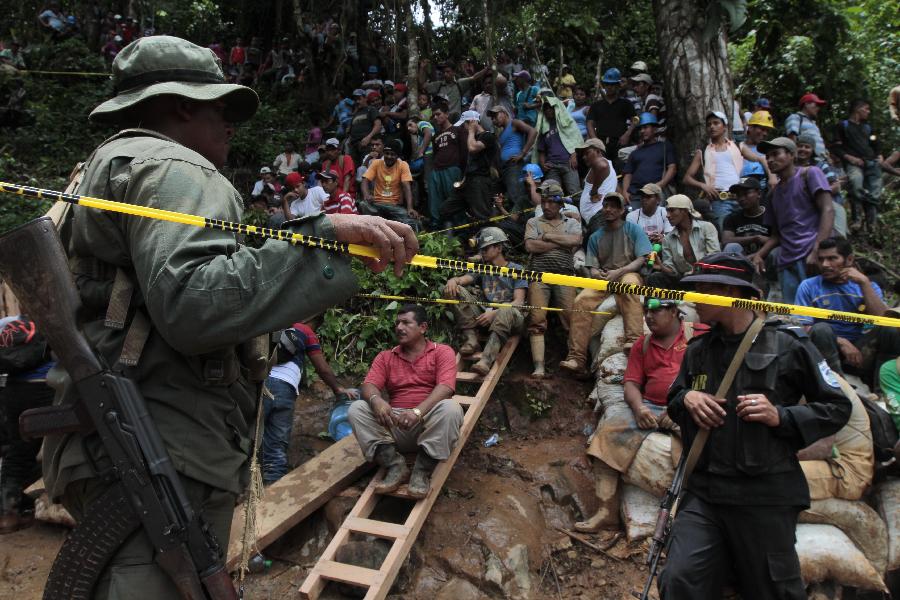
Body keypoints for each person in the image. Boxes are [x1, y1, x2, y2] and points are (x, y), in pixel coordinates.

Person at [49, 35, 418, 597]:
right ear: (181, 104)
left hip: (120, 433)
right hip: (160, 440)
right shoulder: (176, 169)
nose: (230, 123)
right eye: (220, 106)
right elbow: (194, 301)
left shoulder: (102, 168)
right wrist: (323, 241)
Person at [659, 252, 851, 600]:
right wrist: (686, 398)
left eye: (703, 288)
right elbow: (674, 400)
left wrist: (782, 416)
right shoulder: (698, 350)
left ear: (731, 292)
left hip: (765, 496)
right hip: (705, 493)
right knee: (679, 580)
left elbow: (838, 408)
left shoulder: (789, 345)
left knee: (772, 590)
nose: (692, 298)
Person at [575, 298, 704, 532]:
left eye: (656, 311)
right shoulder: (641, 345)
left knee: (700, 447)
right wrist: (638, 408)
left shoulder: (698, 335)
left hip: (690, 405)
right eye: (646, 311)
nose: (649, 316)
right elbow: (631, 384)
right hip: (651, 407)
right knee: (605, 436)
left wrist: (679, 409)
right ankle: (606, 512)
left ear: (675, 311)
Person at [350, 305, 463, 499]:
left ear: (423, 327)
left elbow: (446, 388)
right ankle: (395, 465)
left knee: (451, 407)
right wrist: (377, 400)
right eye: (397, 323)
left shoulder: (442, 352)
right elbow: (368, 385)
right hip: (395, 427)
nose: (399, 327)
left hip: (428, 424)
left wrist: (417, 412)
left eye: (406, 322)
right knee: (356, 408)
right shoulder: (386, 356)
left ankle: (421, 472)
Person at [560, 193, 651, 376]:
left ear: (622, 210)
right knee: (581, 300)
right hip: (605, 277)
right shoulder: (595, 236)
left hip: (628, 273)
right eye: (606, 205)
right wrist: (598, 274)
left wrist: (620, 271)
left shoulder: (633, 229)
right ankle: (577, 358)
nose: (608, 209)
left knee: (630, 286)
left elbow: (642, 259)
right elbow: (592, 266)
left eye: (613, 206)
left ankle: (634, 339)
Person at [797, 238, 899, 393]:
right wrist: (841, 342)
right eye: (821, 259)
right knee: (821, 329)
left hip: (860, 351)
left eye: (832, 258)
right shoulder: (809, 286)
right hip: (824, 348)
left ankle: (883, 392)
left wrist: (864, 283)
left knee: (891, 328)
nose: (825, 265)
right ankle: (836, 389)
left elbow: (883, 320)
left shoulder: (867, 286)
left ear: (849, 259)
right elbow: (801, 327)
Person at [262, 321, 357, 484]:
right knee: (276, 445)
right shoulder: (303, 329)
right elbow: (322, 367)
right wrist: (338, 389)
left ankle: (236, 491)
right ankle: (271, 492)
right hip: (285, 388)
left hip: (259, 384)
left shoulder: (266, 322)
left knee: (246, 437)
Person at [751, 137, 834, 304]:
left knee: (823, 308)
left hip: (813, 254)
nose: (770, 160)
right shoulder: (773, 194)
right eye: (767, 157)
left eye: (775, 154)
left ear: (791, 155)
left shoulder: (809, 174)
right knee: (795, 314)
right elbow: (777, 235)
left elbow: (828, 209)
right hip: (787, 261)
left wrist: (817, 250)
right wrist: (760, 254)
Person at [443, 227, 527, 375]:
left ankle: (486, 360)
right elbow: (464, 280)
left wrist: (494, 314)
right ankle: (471, 339)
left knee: (507, 309)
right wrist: (453, 280)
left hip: (511, 317)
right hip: (485, 315)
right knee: (456, 290)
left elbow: (518, 302)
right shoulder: (483, 268)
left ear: (499, 248)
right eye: (481, 249)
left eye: (486, 248)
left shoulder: (517, 269)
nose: (482, 252)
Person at [0, 316, 55, 534]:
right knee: (58, 443)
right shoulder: (47, 319)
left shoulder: (6, 323)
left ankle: (8, 513)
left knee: (18, 451)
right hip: (45, 385)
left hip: (13, 389)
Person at [524, 186, 583, 377]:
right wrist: (561, 242)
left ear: (559, 204)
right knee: (536, 319)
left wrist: (548, 237)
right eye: (544, 201)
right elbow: (531, 245)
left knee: (570, 317)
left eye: (551, 202)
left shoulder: (571, 222)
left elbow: (575, 240)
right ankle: (538, 366)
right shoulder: (533, 222)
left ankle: (576, 361)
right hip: (538, 274)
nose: (546, 205)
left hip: (564, 274)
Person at [798, 374, 873, 501]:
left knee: (769, 478)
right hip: (829, 460)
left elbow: (822, 448)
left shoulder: (822, 385)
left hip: (847, 471)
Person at [683, 111, 743, 229]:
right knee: (725, 233)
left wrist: (771, 176)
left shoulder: (738, 146)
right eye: (709, 124)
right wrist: (703, 186)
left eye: (716, 123)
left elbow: (759, 158)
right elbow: (687, 178)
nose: (712, 127)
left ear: (725, 126)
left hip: (741, 198)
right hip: (720, 200)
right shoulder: (703, 151)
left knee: (743, 231)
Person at [830, 99, 883, 231]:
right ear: (857, 109)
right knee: (856, 184)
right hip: (854, 163)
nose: (868, 112)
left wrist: (879, 155)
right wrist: (849, 158)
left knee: (874, 192)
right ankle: (856, 221)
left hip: (871, 163)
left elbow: (875, 143)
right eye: (866, 109)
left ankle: (872, 224)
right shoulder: (843, 125)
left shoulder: (868, 127)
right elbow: (836, 147)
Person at [647, 194, 720, 290]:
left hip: (706, 275)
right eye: (667, 211)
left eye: (672, 210)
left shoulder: (707, 227)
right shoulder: (668, 239)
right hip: (684, 280)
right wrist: (660, 265)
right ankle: (665, 303)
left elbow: (714, 257)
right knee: (656, 277)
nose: (668, 215)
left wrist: (695, 272)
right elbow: (673, 272)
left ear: (685, 211)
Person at [621, 112, 676, 209]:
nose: (642, 131)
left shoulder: (664, 146)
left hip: (655, 195)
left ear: (654, 129)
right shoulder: (635, 153)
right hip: (635, 194)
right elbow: (627, 174)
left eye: (646, 127)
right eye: (640, 128)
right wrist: (625, 191)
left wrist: (660, 185)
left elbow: (672, 168)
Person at [360, 139, 419, 228]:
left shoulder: (403, 165)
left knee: (412, 223)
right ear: (383, 153)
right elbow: (365, 180)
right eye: (387, 153)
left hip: (394, 205)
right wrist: (366, 195)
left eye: (392, 154)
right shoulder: (376, 163)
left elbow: (406, 186)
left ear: (397, 155)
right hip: (377, 203)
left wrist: (410, 207)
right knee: (363, 205)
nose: (389, 156)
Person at [489, 105, 537, 212]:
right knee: (505, 194)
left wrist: (523, 153)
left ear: (504, 113)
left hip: (514, 165)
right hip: (505, 168)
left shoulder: (514, 123)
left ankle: (521, 222)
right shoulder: (501, 134)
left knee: (516, 194)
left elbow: (533, 131)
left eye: (495, 116)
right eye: (491, 118)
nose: (493, 120)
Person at [428, 104, 468, 228]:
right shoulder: (435, 136)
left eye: (438, 114)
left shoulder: (458, 130)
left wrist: (464, 172)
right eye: (434, 115)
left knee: (453, 200)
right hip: (437, 170)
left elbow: (465, 152)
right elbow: (435, 154)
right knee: (435, 201)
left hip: (453, 169)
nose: (436, 117)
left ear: (446, 114)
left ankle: (461, 231)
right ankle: (438, 229)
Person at [587, 68, 636, 166]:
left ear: (618, 86)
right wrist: (595, 141)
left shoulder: (626, 103)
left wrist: (627, 134)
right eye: (607, 84)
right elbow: (589, 123)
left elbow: (635, 119)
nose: (609, 87)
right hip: (601, 144)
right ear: (604, 85)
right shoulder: (596, 105)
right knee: (601, 170)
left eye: (612, 85)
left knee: (620, 171)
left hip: (619, 144)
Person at [534, 97, 582, 196]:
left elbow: (576, 140)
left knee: (575, 193)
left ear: (556, 108)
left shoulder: (567, 123)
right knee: (552, 194)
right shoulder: (543, 128)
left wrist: (574, 155)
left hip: (568, 164)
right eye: (546, 109)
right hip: (552, 167)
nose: (548, 111)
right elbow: (541, 150)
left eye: (550, 108)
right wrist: (542, 164)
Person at [421, 60, 489, 121]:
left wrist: (487, 69)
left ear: (453, 72)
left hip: (456, 120)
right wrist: (422, 68)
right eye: (444, 72)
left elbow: (474, 78)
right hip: (441, 120)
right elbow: (423, 86)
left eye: (448, 72)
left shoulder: (460, 84)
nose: (445, 74)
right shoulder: (438, 85)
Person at [577, 138, 618, 234]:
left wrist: (593, 192)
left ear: (598, 151)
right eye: (583, 155)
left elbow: (602, 166)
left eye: (587, 153)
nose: (584, 157)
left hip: (599, 217)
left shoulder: (602, 162)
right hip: (595, 218)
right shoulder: (601, 167)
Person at [739, 110, 777, 191]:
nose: (765, 133)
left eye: (767, 130)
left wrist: (772, 177)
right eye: (762, 129)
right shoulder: (738, 147)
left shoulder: (769, 149)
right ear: (750, 127)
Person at [785, 92, 828, 159]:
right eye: (816, 105)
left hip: (820, 160)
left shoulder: (814, 123)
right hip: (806, 160)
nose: (818, 108)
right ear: (806, 104)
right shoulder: (796, 117)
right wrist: (794, 155)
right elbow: (792, 136)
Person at [347, 89, 383, 164]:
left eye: (359, 99)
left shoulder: (371, 109)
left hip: (366, 144)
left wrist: (368, 137)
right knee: (354, 168)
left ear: (365, 98)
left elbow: (378, 125)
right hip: (353, 145)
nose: (357, 101)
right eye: (355, 100)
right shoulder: (356, 114)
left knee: (365, 166)